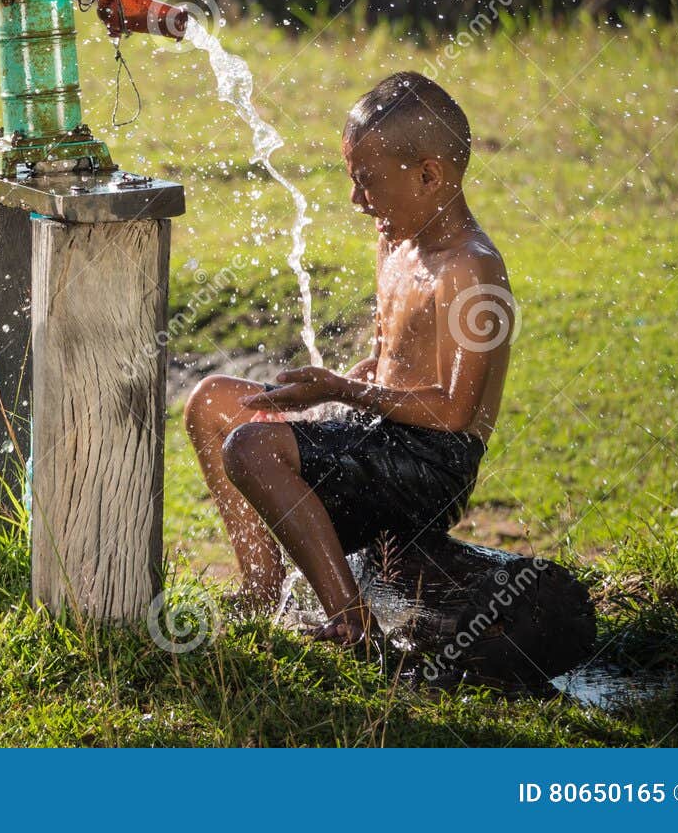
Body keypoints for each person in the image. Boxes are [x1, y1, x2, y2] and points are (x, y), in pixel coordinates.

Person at [184, 71, 512, 651]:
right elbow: (388, 361)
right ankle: (263, 593)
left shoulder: (470, 269)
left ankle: (353, 625)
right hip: (379, 432)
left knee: (252, 447)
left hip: (431, 463)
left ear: (429, 175)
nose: (357, 201)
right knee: (213, 402)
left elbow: (456, 413)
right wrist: (345, 385)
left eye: (368, 183)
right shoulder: (398, 239)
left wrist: (340, 390)